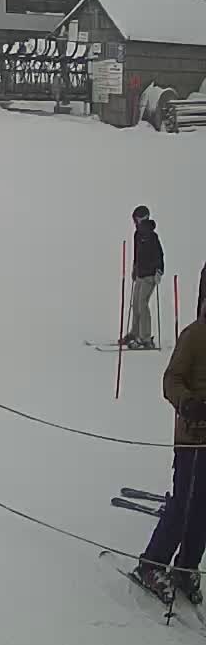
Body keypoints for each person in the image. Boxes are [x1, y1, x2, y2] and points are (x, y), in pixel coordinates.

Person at [132, 303, 206, 605]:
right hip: (194, 437)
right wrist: (187, 402)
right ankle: (151, 563)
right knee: (183, 505)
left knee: (203, 509)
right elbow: (171, 380)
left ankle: (186, 566)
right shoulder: (194, 335)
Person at [127, 206, 164, 351]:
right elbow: (137, 254)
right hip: (140, 274)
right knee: (135, 304)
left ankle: (146, 338)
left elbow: (159, 255)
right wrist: (134, 268)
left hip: (150, 275)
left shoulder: (152, 236)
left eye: (136, 219)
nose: (135, 222)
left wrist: (159, 272)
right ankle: (135, 333)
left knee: (142, 303)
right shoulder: (137, 235)